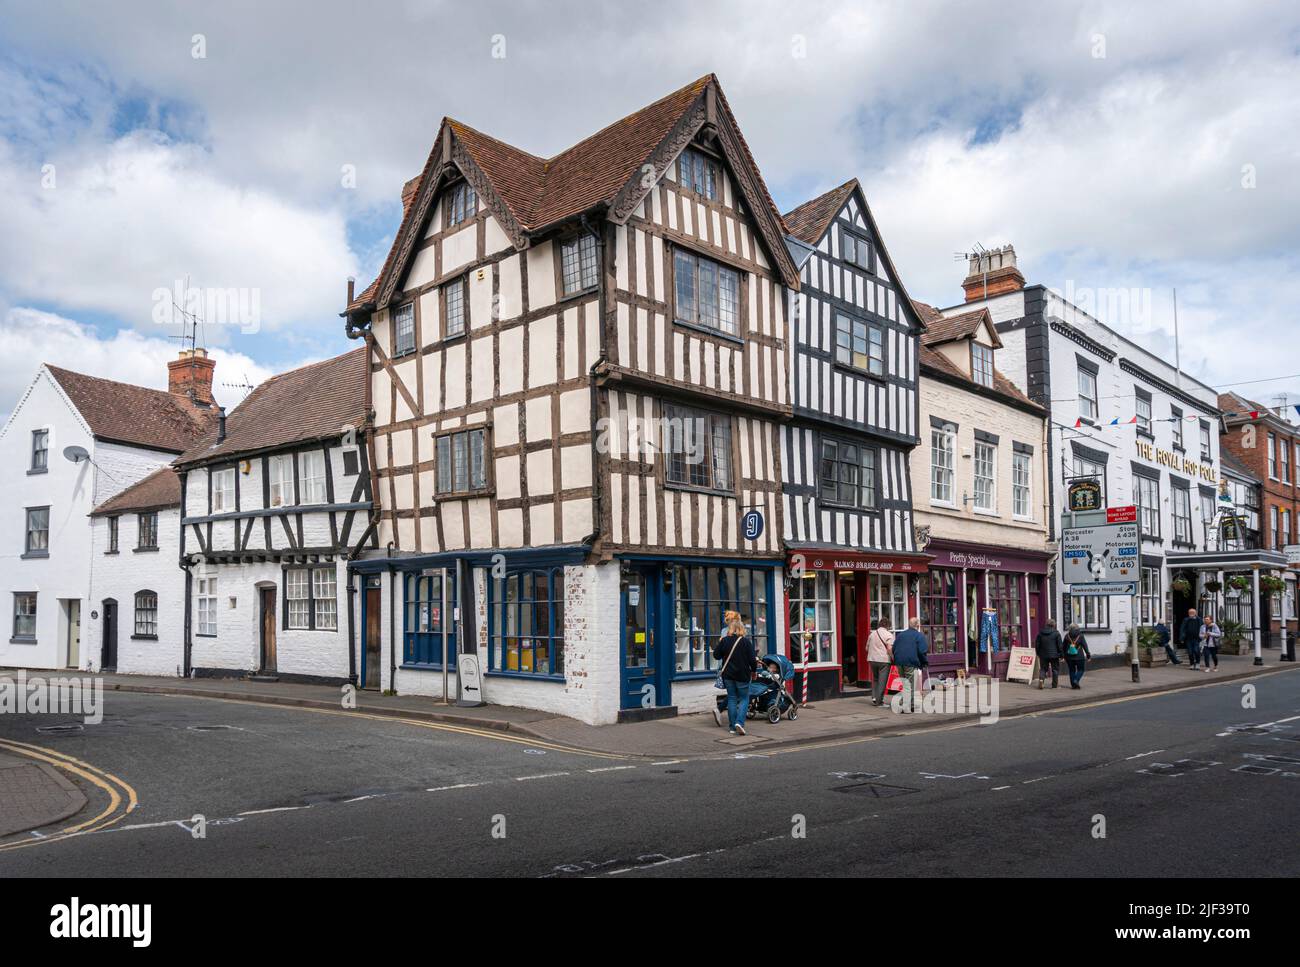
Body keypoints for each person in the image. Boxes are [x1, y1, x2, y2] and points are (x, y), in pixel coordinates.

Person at [713, 612, 757, 735]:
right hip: (742, 675)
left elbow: (716, 656)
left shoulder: (725, 641)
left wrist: (721, 644)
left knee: (732, 699)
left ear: (730, 629)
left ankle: (732, 727)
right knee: (744, 699)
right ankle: (739, 723)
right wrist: (754, 671)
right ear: (742, 629)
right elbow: (752, 660)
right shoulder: (746, 642)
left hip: (728, 675)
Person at [890, 617, 929, 713]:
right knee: (908, 685)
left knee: (906, 684)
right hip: (910, 662)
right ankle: (906, 707)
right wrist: (924, 662)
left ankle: (909, 704)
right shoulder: (919, 636)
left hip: (899, 661)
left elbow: (894, 648)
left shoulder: (901, 635)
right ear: (918, 625)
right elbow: (922, 651)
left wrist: (895, 659)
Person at [865, 616, 895, 707]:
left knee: (875, 679)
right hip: (884, 661)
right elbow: (889, 648)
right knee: (882, 681)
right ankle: (879, 702)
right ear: (888, 626)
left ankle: (874, 697)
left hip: (872, 659)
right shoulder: (889, 635)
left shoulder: (872, 634)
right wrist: (892, 657)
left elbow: (866, 648)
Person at [1034, 618, 1063, 688]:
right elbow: (1060, 645)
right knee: (1055, 669)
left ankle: (1041, 680)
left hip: (1043, 654)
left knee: (1043, 669)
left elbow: (1037, 644)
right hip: (1054, 655)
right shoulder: (1056, 633)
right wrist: (1061, 655)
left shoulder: (1040, 633)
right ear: (1054, 625)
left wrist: (1038, 653)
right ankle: (1054, 685)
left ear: (1046, 624)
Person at [1063, 623, 1091, 689]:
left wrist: (1062, 656)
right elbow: (1085, 646)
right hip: (1079, 656)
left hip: (1069, 657)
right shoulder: (1080, 636)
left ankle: (1073, 685)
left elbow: (1063, 647)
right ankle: (1076, 680)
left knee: (1071, 670)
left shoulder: (1067, 636)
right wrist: (1088, 655)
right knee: (1081, 669)